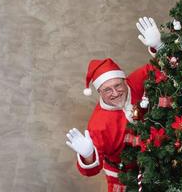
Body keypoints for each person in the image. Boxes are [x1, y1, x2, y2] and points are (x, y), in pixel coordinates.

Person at [65, 17, 163, 192]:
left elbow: (164, 68)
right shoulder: (98, 124)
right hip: (124, 174)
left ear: (125, 80)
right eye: (108, 90)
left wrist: (159, 46)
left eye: (118, 85)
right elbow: (92, 170)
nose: (116, 93)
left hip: (160, 160)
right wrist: (88, 155)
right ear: (99, 92)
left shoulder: (137, 82)